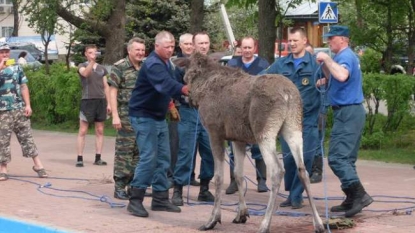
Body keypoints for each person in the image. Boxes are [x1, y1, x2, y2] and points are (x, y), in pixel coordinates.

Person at [127, 31, 188, 217]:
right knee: (149, 157)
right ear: (156, 47)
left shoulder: (167, 63)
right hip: (143, 116)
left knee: (164, 158)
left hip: (158, 116)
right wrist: (186, 90)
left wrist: (178, 98)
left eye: (172, 46)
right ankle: (135, 200)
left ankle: (160, 199)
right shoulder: (153, 64)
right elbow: (166, 84)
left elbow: (174, 83)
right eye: (167, 47)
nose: (170, 50)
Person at [316, 25, 373, 217]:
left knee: (337, 158)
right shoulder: (342, 57)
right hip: (349, 112)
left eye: (331, 38)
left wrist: (326, 58)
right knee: (347, 159)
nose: (328, 41)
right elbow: (336, 76)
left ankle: (359, 195)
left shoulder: (346, 56)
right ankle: (351, 198)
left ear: (343, 39)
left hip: (348, 112)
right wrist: (325, 73)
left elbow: (342, 75)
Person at [261, 28, 320, 209]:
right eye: (290, 41)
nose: (292, 44)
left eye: (295, 40)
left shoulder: (315, 64)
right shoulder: (281, 64)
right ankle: (292, 194)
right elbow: (263, 77)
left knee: (306, 158)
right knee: (288, 159)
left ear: (304, 41)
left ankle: (296, 195)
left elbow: (330, 82)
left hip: (308, 119)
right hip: (287, 120)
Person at [171, 32, 215, 206]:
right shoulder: (182, 66)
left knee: (210, 151)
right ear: (193, 45)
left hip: (209, 113)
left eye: (206, 43)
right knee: (186, 152)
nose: (203, 46)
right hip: (189, 112)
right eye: (200, 43)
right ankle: (178, 190)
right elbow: (173, 88)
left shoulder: (213, 66)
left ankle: (204, 188)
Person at [225, 36, 270, 194]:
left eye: (250, 47)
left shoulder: (263, 65)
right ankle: (234, 181)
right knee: (235, 148)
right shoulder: (232, 64)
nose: (247, 50)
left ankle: (262, 180)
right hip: (236, 114)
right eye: (244, 47)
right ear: (240, 48)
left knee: (259, 147)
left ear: (255, 48)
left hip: (256, 113)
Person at [0, 42, 48, 181]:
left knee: (27, 137)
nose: (4, 54)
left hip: (18, 108)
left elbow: (23, 86)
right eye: (2, 52)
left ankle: (38, 165)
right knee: (2, 141)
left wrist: (28, 105)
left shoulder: (17, 67)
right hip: (2, 111)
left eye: (6, 52)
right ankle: (3, 169)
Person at [108, 37, 146, 200]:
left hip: (143, 115)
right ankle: (119, 187)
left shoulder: (145, 67)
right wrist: (115, 115)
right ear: (129, 51)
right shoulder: (120, 67)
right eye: (137, 50)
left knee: (139, 151)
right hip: (125, 114)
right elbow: (112, 91)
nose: (140, 53)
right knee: (125, 151)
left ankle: (134, 185)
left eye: (143, 50)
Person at [168, 33, 200, 187]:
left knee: (192, 144)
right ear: (180, 46)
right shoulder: (175, 63)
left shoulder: (196, 62)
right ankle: (173, 176)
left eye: (190, 44)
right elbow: (169, 87)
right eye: (185, 44)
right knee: (177, 144)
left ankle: (190, 175)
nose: (188, 47)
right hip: (177, 107)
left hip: (195, 108)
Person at [76, 44, 111, 167]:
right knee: (83, 130)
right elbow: (85, 74)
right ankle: (80, 158)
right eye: (90, 52)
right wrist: (91, 62)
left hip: (100, 101)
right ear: (86, 53)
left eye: (94, 53)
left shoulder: (102, 69)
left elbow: (106, 86)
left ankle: (98, 157)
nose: (93, 55)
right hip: (87, 101)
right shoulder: (82, 66)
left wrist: (109, 103)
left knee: (100, 130)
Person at [305, 43, 324, 184]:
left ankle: (317, 170)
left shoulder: (319, 67)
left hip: (318, 108)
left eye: (309, 54)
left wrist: (320, 81)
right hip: (303, 109)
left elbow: (330, 79)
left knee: (317, 139)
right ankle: (306, 167)